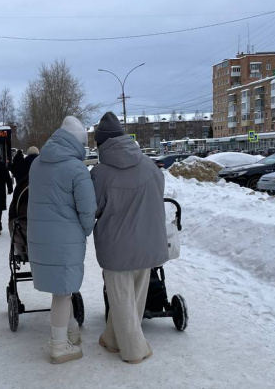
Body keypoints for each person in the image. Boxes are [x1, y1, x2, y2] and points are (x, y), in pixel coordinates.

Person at [90, 111, 168, 364]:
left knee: (121, 299)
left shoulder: (100, 173)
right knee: (134, 297)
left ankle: (134, 350)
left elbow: (93, 208)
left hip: (118, 246)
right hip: (148, 243)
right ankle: (112, 339)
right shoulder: (149, 165)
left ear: (101, 143)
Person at [27, 118, 96, 364]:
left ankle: (72, 331)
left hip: (39, 238)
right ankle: (59, 346)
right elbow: (88, 209)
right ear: (77, 142)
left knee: (62, 289)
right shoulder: (76, 169)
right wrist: (86, 230)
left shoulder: (37, 164)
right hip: (66, 239)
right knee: (64, 291)